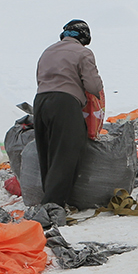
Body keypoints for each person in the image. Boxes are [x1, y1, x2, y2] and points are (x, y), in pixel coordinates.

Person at [33, 19, 103, 209]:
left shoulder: (48, 51)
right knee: (66, 153)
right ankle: (53, 205)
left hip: (40, 102)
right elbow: (93, 86)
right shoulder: (83, 53)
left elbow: (39, 77)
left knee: (47, 152)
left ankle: (48, 197)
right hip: (65, 103)